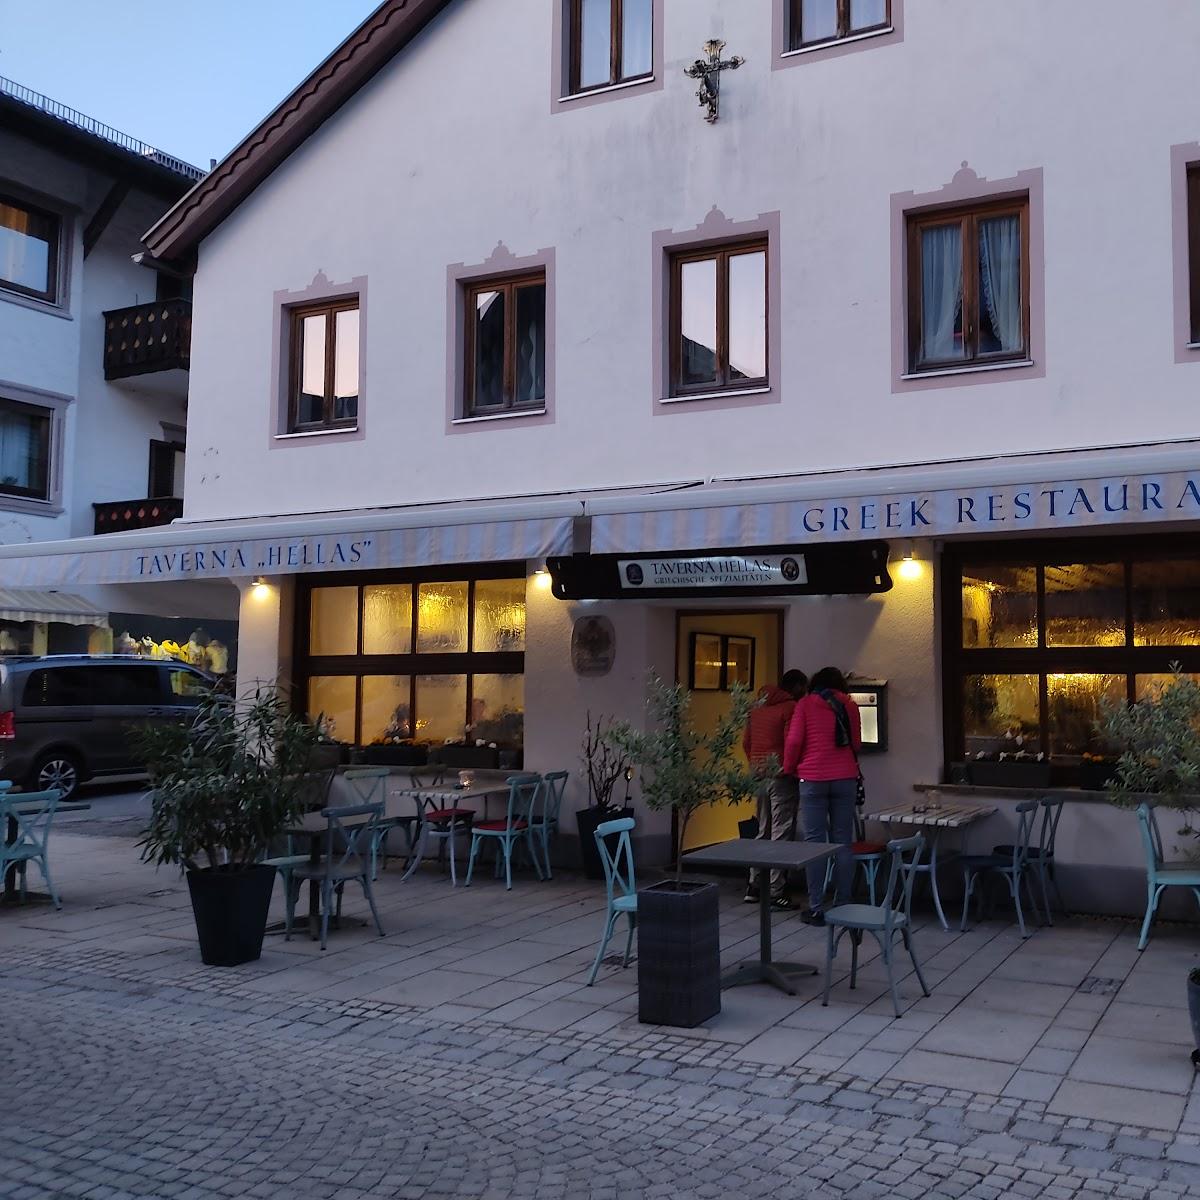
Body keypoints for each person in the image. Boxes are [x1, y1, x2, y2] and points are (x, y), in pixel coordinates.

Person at [782, 665, 862, 927]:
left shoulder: (805, 705)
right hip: (845, 778)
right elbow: (857, 744)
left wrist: (789, 767)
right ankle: (844, 905)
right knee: (843, 842)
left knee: (815, 844)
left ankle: (816, 908)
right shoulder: (850, 706)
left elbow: (794, 742)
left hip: (813, 778)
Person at [743, 669, 808, 909]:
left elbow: (746, 742)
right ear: (797, 686)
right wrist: (789, 769)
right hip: (781, 775)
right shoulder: (790, 707)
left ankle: (754, 884)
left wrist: (755, 763)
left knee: (762, 828)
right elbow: (791, 742)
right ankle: (776, 890)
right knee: (781, 830)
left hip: (758, 774)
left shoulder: (756, 706)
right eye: (804, 688)